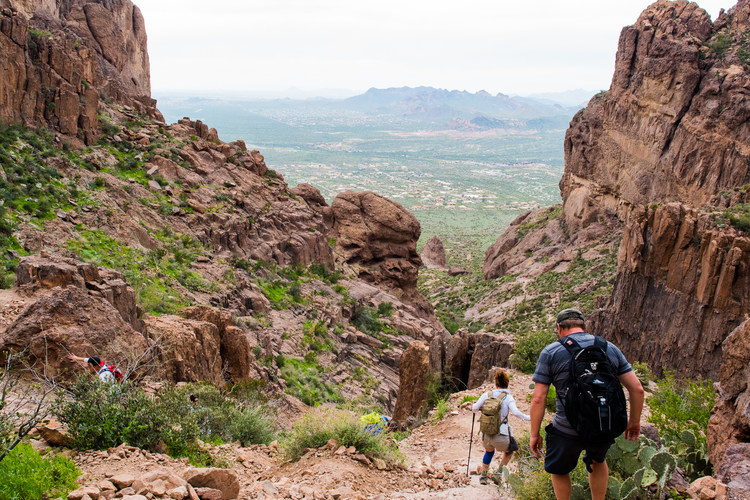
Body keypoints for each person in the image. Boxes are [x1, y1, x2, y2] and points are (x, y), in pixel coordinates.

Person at [529, 308, 644, 500]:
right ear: (585, 327)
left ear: (559, 328)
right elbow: (637, 388)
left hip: (566, 428)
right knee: (598, 460)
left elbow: (538, 398)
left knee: (559, 469)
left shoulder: (551, 351)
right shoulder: (608, 347)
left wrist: (534, 434)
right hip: (602, 423)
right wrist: (634, 422)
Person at [472, 368, 530, 484]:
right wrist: (530, 417)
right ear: (507, 383)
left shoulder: (487, 394)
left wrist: (475, 406)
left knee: (489, 452)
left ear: (496, 383)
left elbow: (474, 409)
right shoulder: (508, 398)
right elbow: (516, 412)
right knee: (510, 450)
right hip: (501, 435)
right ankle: (498, 474)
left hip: (486, 434)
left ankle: (483, 476)